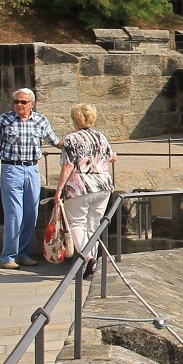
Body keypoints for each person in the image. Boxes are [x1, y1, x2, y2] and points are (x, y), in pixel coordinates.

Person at [0, 88, 60, 270]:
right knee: (14, 214)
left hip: (32, 169)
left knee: (31, 214)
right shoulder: (5, 120)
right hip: (12, 168)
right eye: (17, 102)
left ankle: (23, 253)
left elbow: (56, 142)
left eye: (23, 102)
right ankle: (8, 256)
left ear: (32, 104)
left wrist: (80, 140)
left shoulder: (40, 120)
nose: (19, 105)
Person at [54, 103, 116, 276]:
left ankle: (87, 257)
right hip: (103, 185)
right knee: (94, 224)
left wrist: (59, 190)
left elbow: (67, 165)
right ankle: (92, 262)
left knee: (76, 223)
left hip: (79, 186)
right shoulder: (100, 136)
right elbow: (114, 157)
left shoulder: (71, 139)